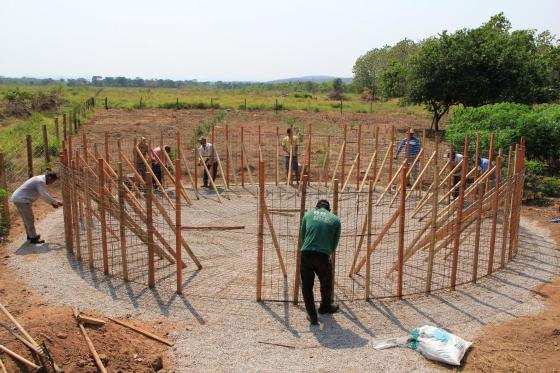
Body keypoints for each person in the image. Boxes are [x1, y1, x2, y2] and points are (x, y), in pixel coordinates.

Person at [299, 199, 341, 325]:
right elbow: (334, 243)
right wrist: (327, 252)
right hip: (323, 255)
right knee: (326, 281)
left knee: (307, 286)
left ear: (316, 207)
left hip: (306, 253)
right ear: (329, 209)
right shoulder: (335, 220)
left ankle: (312, 316)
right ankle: (325, 307)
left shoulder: (308, 214)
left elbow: (303, 235)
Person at [10, 172, 62, 244]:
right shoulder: (40, 181)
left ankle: (30, 235)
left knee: (26, 219)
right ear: (49, 178)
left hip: (18, 198)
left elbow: (42, 194)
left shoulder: (39, 179)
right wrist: (55, 202)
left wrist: (52, 203)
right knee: (29, 218)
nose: (51, 183)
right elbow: (43, 194)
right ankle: (33, 238)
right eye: (52, 181)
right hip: (22, 200)